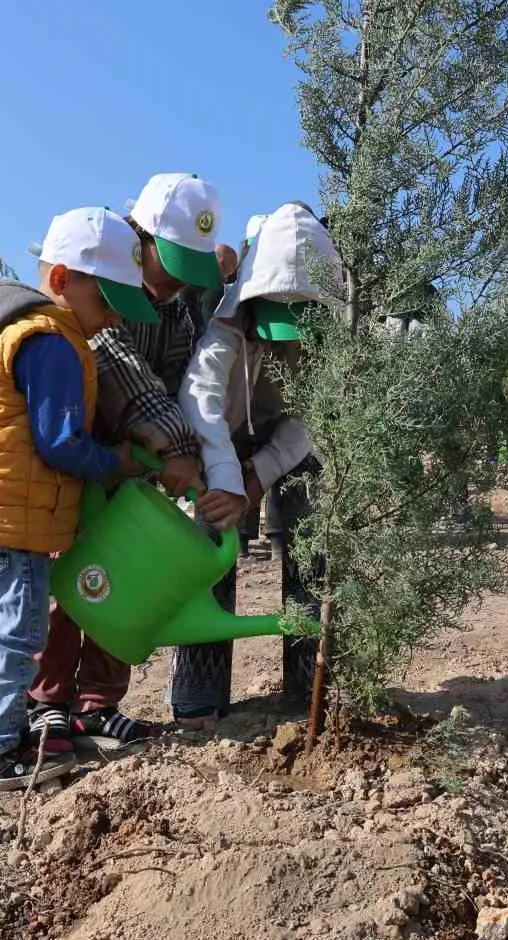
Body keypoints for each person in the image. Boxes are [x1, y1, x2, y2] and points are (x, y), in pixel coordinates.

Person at [0, 207, 154, 792]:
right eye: (106, 303)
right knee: (18, 635)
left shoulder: (8, 328)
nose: (110, 321)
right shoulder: (52, 341)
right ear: (61, 281)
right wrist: (118, 463)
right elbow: (60, 444)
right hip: (11, 522)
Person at [27, 172, 216, 751]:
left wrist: (185, 452)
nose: (177, 281)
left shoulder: (178, 311)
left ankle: (98, 702)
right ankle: (46, 699)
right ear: (142, 237)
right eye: (171, 262)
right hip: (82, 460)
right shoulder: (100, 283)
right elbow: (117, 366)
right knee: (71, 576)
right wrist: (175, 446)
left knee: (123, 577)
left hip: (137, 469)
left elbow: (184, 382)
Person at [169, 203, 340, 730]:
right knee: (209, 539)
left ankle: (308, 684)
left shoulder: (333, 339)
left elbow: (314, 417)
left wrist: (259, 473)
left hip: (293, 446)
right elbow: (201, 397)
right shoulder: (226, 325)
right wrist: (227, 480)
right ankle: (199, 693)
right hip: (224, 438)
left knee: (312, 548)